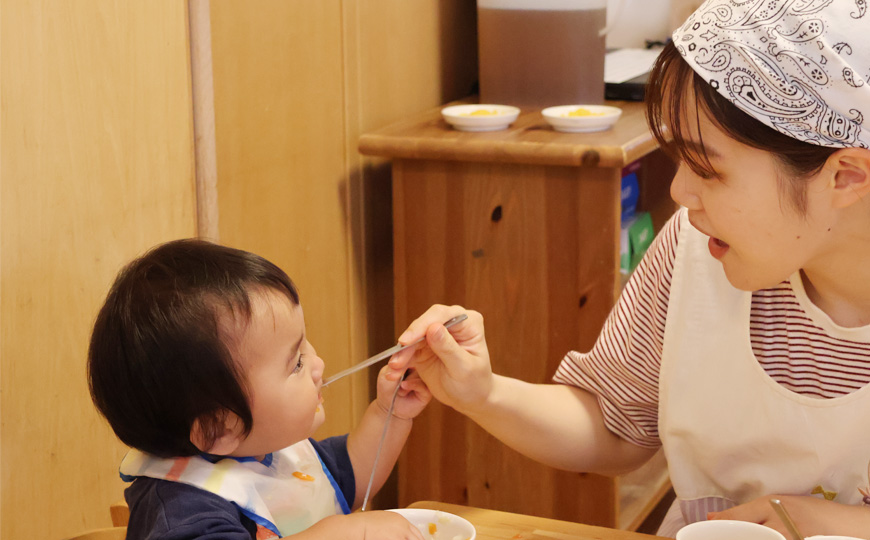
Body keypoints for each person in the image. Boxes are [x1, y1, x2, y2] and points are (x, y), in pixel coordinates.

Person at [388, 1, 870, 538]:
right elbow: (613, 426)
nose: (680, 191)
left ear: (845, 176)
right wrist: (484, 393)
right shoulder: (699, 248)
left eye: (708, 169)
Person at [88, 239, 430, 540]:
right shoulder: (183, 511)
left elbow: (350, 474)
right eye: (295, 362)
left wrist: (391, 412)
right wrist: (332, 535)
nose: (318, 364)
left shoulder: (265, 451)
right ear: (220, 427)